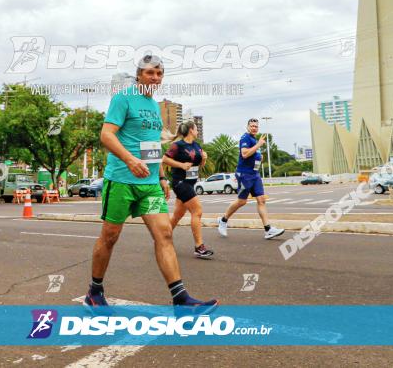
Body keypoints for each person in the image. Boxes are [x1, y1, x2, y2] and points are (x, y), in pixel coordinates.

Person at [84, 55, 217, 310]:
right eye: (150, 73)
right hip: (121, 179)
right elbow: (106, 135)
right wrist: (130, 160)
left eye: (159, 73)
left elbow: (152, 145)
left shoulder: (154, 107)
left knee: (164, 233)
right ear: (139, 75)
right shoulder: (123, 98)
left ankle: (181, 299)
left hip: (149, 185)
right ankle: (94, 291)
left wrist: (161, 176)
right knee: (110, 236)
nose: (155, 78)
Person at [217, 118, 285, 240]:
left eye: (256, 126)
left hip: (255, 174)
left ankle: (268, 229)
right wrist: (258, 145)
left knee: (261, 200)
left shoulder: (254, 139)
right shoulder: (245, 138)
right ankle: (223, 220)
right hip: (244, 174)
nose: (254, 128)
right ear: (247, 127)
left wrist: (259, 157)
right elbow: (244, 154)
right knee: (242, 201)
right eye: (252, 126)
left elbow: (253, 154)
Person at [162, 120, 213, 259]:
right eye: (196, 129)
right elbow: (164, 159)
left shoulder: (196, 146)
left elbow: (199, 166)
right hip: (180, 183)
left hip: (190, 184)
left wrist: (204, 159)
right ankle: (199, 247)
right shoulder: (177, 145)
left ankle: (162, 239)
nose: (197, 131)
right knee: (197, 211)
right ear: (191, 130)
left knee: (177, 216)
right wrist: (181, 165)